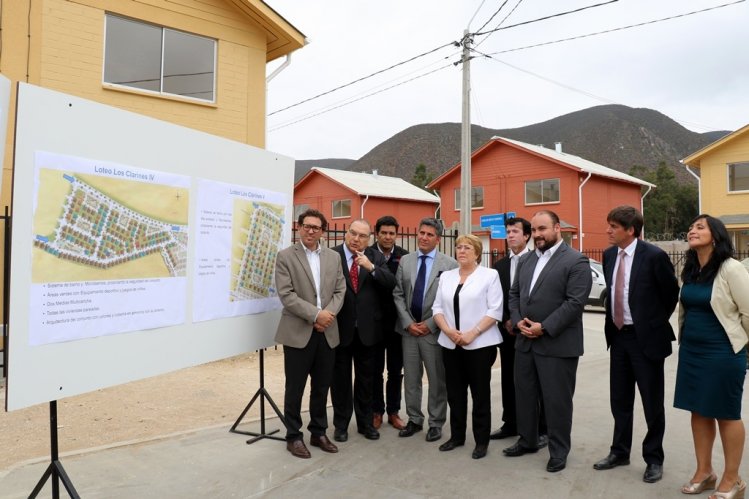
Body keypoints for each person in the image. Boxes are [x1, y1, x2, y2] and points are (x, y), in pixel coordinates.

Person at [592, 206, 679, 484]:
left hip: (646, 340)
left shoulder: (654, 256)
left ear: (630, 230)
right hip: (618, 337)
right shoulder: (608, 255)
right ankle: (620, 452)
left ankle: (654, 458)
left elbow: (670, 295)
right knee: (620, 400)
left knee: (652, 402)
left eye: (614, 227)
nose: (608, 231)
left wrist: (651, 323)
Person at [502, 210, 592, 473]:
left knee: (557, 402)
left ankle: (559, 451)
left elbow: (575, 303)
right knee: (525, 396)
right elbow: (515, 293)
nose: (538, 234)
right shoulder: (527, 259)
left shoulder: (576, 261)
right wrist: (518, 320)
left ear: (557, 229)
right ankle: (528, 440)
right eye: (535, 229)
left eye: (543, 229)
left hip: (557, 344)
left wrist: (545, 327)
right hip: (525, 342)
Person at [674, 214, 749, 498]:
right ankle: (704, 472)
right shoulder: (692, 269)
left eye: (700, 227)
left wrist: (741, 346)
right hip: (692, 352)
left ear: (715, 235)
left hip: (723, 352)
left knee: (726, 414)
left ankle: (733, 480)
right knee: (698, 410)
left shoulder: (731, 268)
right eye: (691, 226)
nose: (692, 229)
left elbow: (748, 312)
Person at [275, 209, 346, 459]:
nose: (310, 230)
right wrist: (316, 315)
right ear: (299, 227)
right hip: (298, 331)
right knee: (295, 387)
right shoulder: (285, 257)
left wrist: (327, 316)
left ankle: (318, 432)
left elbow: (340, 290)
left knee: (322, 386)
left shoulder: (333, 257)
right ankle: (293, 436)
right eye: (306, 226)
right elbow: (286, 295)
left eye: (316, 227)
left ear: (323, 231)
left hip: (327, 331)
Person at [432, 234, 503, 459]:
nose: (461, 251)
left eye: (467, 248)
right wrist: (449, 331)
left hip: (480, 345)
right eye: (458, 247)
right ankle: (457, 436)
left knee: (480, 394)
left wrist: (472, 333)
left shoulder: (489, 275)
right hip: (451, 343)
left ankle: (481, 441)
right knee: (455, 393)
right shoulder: (447, 276)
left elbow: (495, 310)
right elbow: (437, 308)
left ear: (477, 252)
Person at [393, 217, 458, 443]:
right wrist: (408, 323)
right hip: (409, 331)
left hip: (434, 331)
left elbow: (449, 300)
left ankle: (436, 423)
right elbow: (398, 294)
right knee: (411, 378)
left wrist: (430, 324)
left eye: (430, 234)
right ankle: (414, 419)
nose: (424, 237)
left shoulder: (449, 265)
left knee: (437, 379)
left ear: (438, 239)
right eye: (421, 233)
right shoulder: (406, 261)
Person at [331, 219, 396, 443]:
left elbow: (391, 283)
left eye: (362, 236)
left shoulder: (375, 257)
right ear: (346, 233)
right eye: (353, 233)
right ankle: (340, 425)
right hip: (340, 328)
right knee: (339, 380)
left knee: (366, 380)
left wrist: (371, 267)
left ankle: (365, 423)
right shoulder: (332, 255)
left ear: (369, 239)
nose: (356, 239)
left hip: (368, 330)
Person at [489, 217, 547, 445]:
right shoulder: (500, 266)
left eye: (515, 231)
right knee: (508, 378)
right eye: (508, 231)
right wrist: (506, 319)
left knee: (535, 381)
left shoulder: (538, 261)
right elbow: (496, 297)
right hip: (507, 331)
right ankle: (510, 422)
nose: (511, 235)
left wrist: (522, 321)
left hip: (532, 331)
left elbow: (540, 298)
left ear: (527, 236)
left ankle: (541, 427)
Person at [371, 216, 409, 430]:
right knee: (375, 371)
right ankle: (376, 411)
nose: (387, 236)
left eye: (391, 233)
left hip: (397, 324)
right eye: (383, 232)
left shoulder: (405, 257)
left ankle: (394, 412)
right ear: (377, 233)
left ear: (397, 234)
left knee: (396, 370)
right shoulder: (367, 255)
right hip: (374, 324)